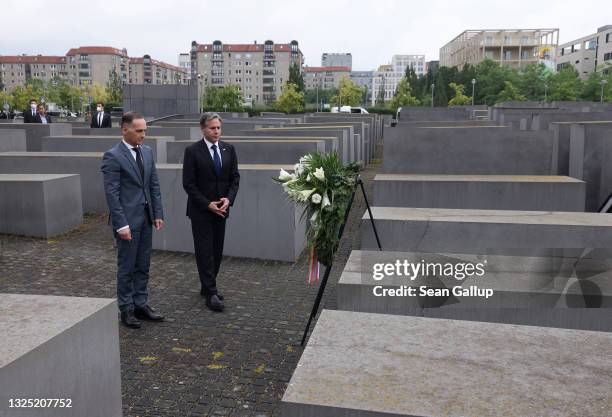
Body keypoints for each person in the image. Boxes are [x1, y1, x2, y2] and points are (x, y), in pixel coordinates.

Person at [101, 112, 165, 329]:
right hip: (127, 222)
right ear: (124, 129)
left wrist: (158, 213)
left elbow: (153, 185)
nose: (143, 135)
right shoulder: (113, 156)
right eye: (139, 131)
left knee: (143, 265)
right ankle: (126, 309)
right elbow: (112, 193)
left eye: (145, 130)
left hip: (146, 220)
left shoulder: (147, 152)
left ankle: (141, 304)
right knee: (127, 267)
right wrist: (121, 224)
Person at [182, 112, 240, 312]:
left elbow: (235, 179)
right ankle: (211, 292)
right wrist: (207, 204)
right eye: (212, 128)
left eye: (218, 128)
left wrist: (228, 199)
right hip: (201, 211)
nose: (216, 131)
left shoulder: (229, 149)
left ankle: (207, 285)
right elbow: (188, 184)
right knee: (204, 251)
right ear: (203, 129)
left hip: (222, 210)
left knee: (216, 251)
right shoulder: (192, 151)